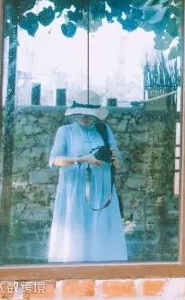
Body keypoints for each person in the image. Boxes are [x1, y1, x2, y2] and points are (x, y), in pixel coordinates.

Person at [48, 90, 127, 262]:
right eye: (82, 114)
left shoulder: (104, 130)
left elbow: (118, 161)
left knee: (100, 229)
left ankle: (102, 266)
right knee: (75, 228)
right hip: (74, 190)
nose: (85, 117)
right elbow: (55, 160)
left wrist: (114, 159)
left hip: (101, 190)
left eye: (90, 115)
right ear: (75, 113)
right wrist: (83, 159)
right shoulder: (65, 131)